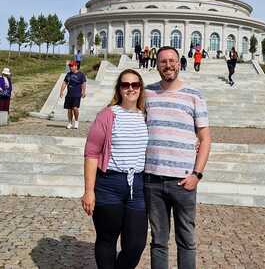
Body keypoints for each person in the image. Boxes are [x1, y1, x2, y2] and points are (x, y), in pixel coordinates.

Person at [144, 47, 211, 269]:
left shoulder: (194, 95)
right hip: (152, 179)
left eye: (172, 60)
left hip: (183, 181)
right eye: (163, 61)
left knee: (186, 240)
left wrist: (197, 174)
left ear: (179, 63)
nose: (168, 65)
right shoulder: (147, 94)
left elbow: (205, 138)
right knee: (158, 241)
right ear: (157, 65)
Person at [82, 69, 149, 269]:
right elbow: (91, 153)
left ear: (140, 88)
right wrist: (89, 191)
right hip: (109, 184)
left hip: (137, 185)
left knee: (136, 244)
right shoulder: (107, 115)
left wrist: (194, 141)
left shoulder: (146, 116)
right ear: (119, 89)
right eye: (125, 85)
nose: (130, 89)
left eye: (135, 84)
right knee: (107, 239)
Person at [60, 61, 87, 129]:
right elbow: (65, 83)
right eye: (70, 66)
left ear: (76, 66)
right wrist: (61, 91)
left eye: (72, 66)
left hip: (77, 94)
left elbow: (83, 83)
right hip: (69, 95)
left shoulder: (81, 74)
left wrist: (83, 92)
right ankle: (70, 122)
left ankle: (76, 121)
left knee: (75, 108)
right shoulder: (68, 74)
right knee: (69, 110)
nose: (70, 67)